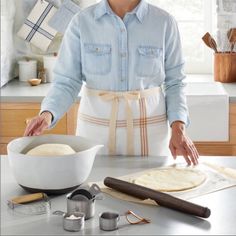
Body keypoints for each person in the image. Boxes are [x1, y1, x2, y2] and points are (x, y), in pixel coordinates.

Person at [24, 0, 199, 165]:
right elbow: (66, 82)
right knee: (95, 192)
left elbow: (175, 83)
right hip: (94, 136)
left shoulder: (164, 23)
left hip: (151, 137)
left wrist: (178, 128)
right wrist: (48, 113)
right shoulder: (81, 23)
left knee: (149, 192)